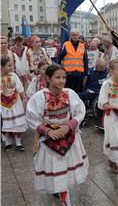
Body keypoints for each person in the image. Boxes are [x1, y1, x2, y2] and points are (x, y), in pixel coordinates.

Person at [26, 64, 88, 206]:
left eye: (64, 77)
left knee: (66, 170)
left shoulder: (70, 93)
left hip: (69, 137)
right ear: (47, 78)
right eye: (57, 77)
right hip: (50, 140)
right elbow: (31, 118)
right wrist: (48, 131)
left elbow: (80, 111)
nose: (61, 81)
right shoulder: (39, 97)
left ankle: (63, 195)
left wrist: (69, 126)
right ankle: (65, 199)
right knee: (57, 171)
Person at [1, 57, 27, 150]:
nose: (11, 68)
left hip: (15, 101)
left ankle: (18, 142)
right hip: (2, 103)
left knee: (17, 123)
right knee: (6, 123)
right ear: (2, 67)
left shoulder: (13, 76)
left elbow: (19, 86)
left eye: (11, 65)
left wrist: (23, 95)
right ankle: (8, 142)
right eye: (9, 66)